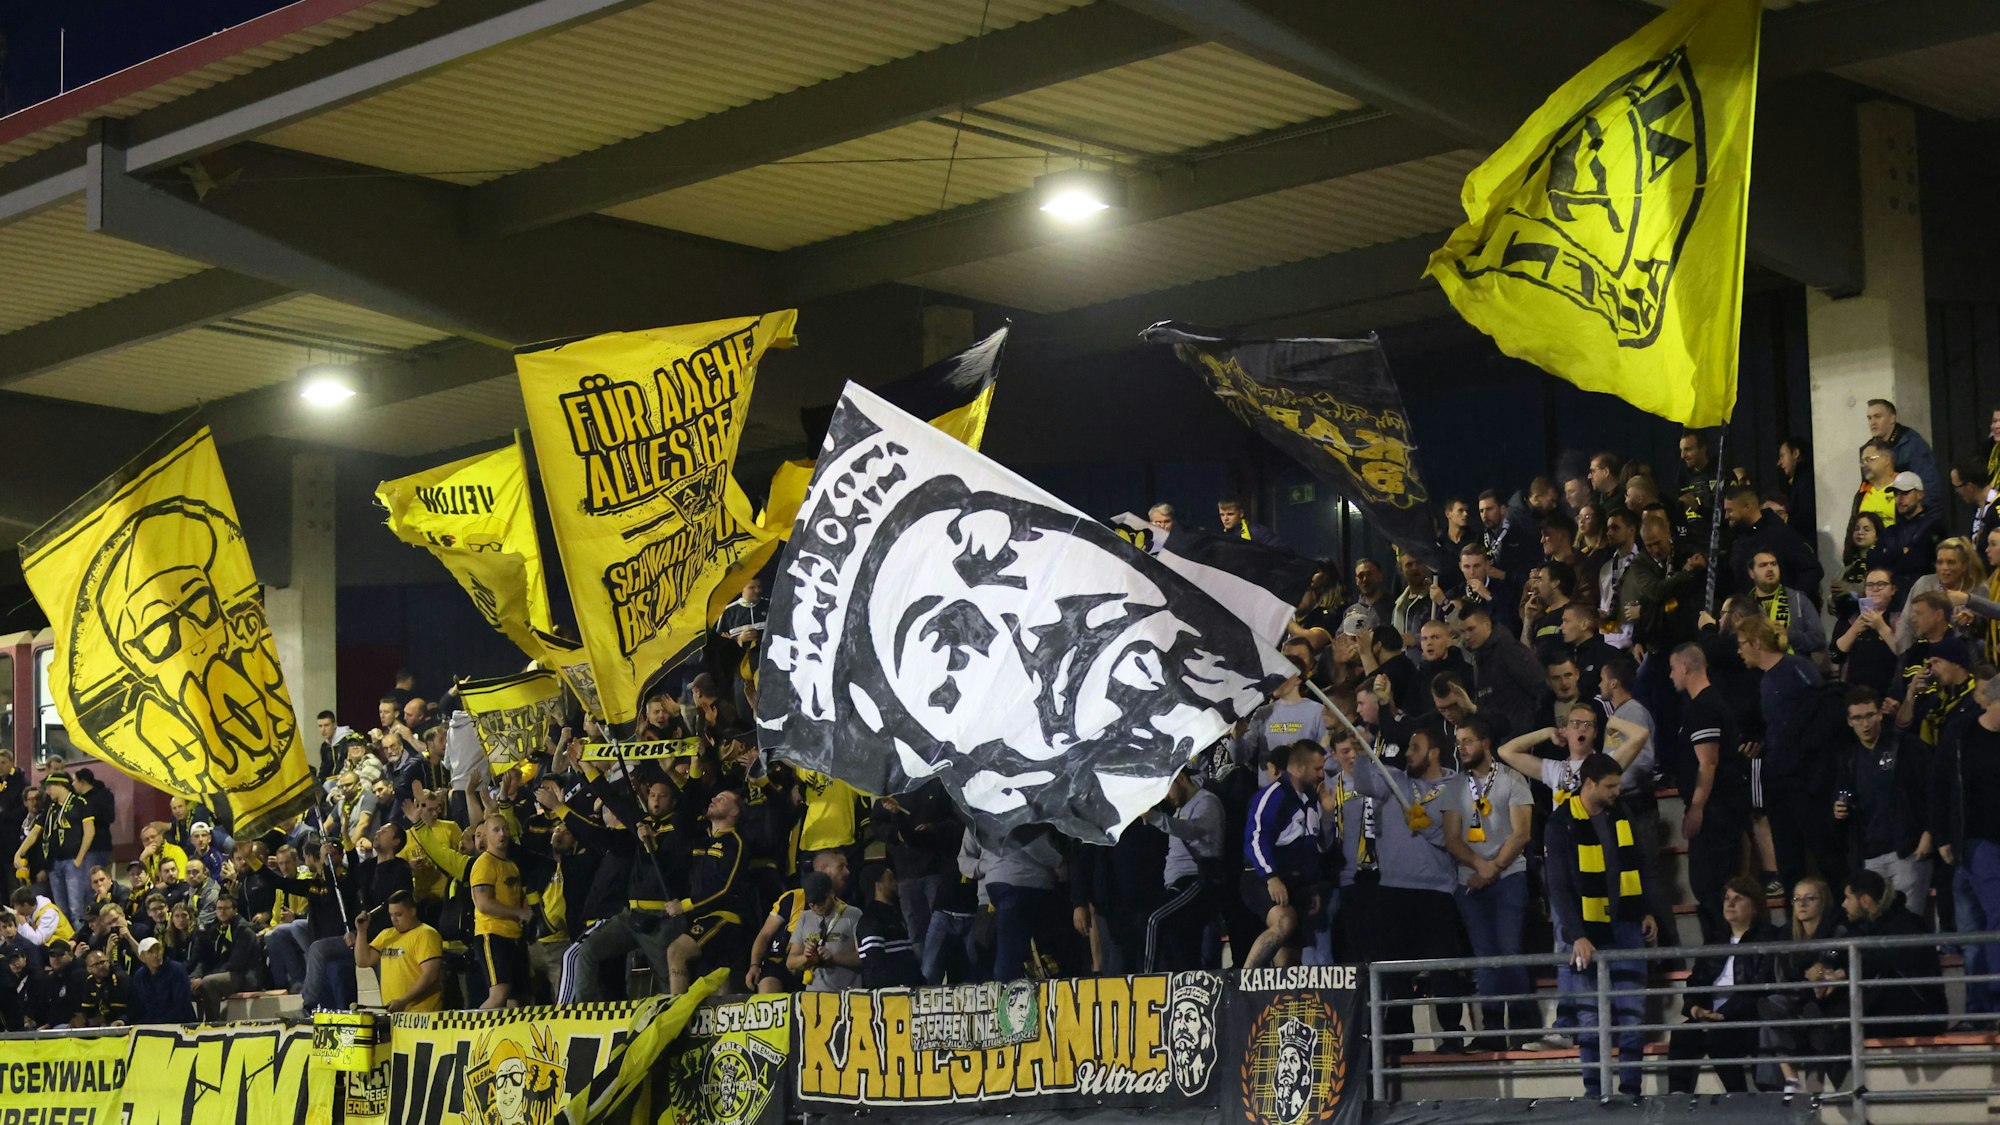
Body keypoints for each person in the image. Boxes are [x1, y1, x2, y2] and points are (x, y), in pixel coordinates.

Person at [1351, 728, 1469, 1054]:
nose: (1407, 753)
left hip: (1438, 891)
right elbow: (1362, 784)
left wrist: (1427, 827)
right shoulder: (1395, 780)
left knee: (1443, 967)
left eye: (1415, 747)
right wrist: (1360, 750)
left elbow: (1455, 841)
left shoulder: (1456, 785)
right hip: (1393, 889)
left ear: (1434, 753)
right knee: (1394, 969)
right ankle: (1400, 1034)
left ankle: (1452, 1035)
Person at [1440, 717, 1537, 1047]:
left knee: (1509, 950)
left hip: (1509, 876)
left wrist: (1492, 868)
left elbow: (1522, 832)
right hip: (1470, 881)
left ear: (1485, 743)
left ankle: (1524, 1029)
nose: (1461, 748)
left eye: (1467, 741)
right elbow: (1451, 838)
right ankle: (1493, 1031)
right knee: (1484, 956)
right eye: (1457, 742)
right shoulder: (1455, 786)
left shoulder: (1512, 778)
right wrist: (1479, 867)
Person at [1737, 615, 1835, 894]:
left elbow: (1823, 712)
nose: (1739, 649)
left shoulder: (1796, 668)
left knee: (1826, 855)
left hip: (1806, 782)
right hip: (1779, 782)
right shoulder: (1765, 680)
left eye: (1742, 643)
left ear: (1757, 643)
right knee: (1789, 861)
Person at [1666, 877, 1778, 1093]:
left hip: (1746, 1015)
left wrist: (1724, 1015)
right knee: (1682, 1034)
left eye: (1738, 898)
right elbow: (1696, 982)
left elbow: (1761, 986)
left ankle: (1737, 1096)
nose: (1730, 904)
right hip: (1711, 1014)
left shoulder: (1769, 938)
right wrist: (1695, 1008)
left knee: (1719, 1036)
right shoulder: (1715, 940)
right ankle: (1677, 1097)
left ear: (1755, 906)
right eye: (1727, 899)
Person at [1932, 674, 2000, 1016]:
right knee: (1979, 929)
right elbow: (1941, 785)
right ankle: (1983, 1007)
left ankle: (1985, 1008)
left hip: (1984, 848)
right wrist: (1942, 836)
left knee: (1983, 928)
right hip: (1972, 843)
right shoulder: (1961, 734)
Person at [1670, 644, 1749, 940]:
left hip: (1716, 814)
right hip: (1720, 812)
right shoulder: (1707, 704)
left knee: (1711, 887)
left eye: (1672, 668)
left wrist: (1697, 807)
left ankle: (1724, 955)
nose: (1670, 675)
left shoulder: (1704, 707)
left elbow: (1708, 762)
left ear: (1686, 667)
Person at [1836, 687, 1933, 905]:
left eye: (1870, 715)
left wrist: (1929, 832)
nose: (1865, 723)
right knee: (1878, 928)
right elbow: (1844, 794)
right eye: (1858, 718)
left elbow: (1933, 791)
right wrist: (1839, 809)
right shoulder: (1849, 759)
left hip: (1907, 851)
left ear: (1880, 713)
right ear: (1849, 721)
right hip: (1870, 856)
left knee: (1907, 925)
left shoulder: (1906, 747)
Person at [1242, 740, 1328, 970]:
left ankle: (1277, 998)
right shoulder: (1274, 796)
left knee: (1291, 953)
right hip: (1262, 876)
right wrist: (1271, 876)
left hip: (1295, 882)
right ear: (1299, 768)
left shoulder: (1311, 798)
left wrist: (1312, 887)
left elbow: (1311, 846)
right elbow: (1256, 838)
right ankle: (1244, 979)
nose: (1322, 774)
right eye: (1317, 769)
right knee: (1284, 921)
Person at [1760, 877, 1848, 1097]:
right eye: (1797, 899)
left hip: (1827, 1000)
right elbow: (1783, 977)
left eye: (1810, 898)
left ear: (1823, 902)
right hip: (1795, 998)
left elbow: (1837, 958)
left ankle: (1792, 1076)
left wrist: (1824, 967)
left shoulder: (1837, 929)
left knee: (1772, 1021)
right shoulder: (1785, 935)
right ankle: (1790, 1076)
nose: (1802, 904)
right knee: (1770, 1005)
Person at [1142, 767, 1225, 973]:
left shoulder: (1207, 801)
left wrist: (1153, 817)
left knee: (1154, 919)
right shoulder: (1181, 808)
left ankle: (1143, 981)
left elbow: (1192, 829)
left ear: (1180, 778)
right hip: (1175, 884)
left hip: (1195, 879)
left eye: (1168, 789)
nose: (1167, 797)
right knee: (1180, 949)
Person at [469, 814, 531, 1009]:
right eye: (496, 830)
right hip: (492, 933)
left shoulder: (511, 865)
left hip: (514, 935)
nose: (502, 834)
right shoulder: (484, 864)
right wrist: (519, 913)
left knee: (518, 998)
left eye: (505, 829)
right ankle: (475, 1035)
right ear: (486, 835)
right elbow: (484, 903)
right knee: (499, 994)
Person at [1456, 604, 1543, 736]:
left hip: (1519, 737)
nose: (1467, 636)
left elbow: (1539, 685)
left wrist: (1528, 728)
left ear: (1487, 624)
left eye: (1471, 629)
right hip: (1498, 736)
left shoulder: (1508, 649)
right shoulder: (1480, 658)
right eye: (1463, 632)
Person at [353, 890, 444, 1013]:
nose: (394, 919)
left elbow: (430, 975)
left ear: (412, 911)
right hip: (396, 1014)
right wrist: (362, 931)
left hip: (421, 1014)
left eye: (398, 914)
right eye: (391, 915)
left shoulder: (426, 934)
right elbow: (363, 961)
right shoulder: (386, 935)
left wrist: (403, 1001)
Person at [186, 893, 261, 1021]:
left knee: (209, 983)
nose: (222, 912)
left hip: (243, 975)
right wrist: (195, 976)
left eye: (226, 908)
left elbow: (235, 964)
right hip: (223, 972)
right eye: (219, 908)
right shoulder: (214, 930)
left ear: (235, 910)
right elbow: (206, 959)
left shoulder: (244, 931)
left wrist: (203, 978)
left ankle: (213, 1023)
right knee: (187, 983)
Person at [788, 870, 862, 992]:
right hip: (814, 996)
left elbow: (864, 958)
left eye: (821, 903)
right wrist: (806, 957)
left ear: (831, 893)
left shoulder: (853, 914)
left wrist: (834, 958)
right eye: (812, 904)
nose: (817, 908)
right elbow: (790, 962)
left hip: (847, 995)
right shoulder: (805, 917)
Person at [1859, 398, 1943, 501]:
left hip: (1907, 512)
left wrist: (1923, 515)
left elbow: (1929, 485)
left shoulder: (1913, 444)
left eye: (1877, 416)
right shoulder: (1867, 450)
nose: (1873, 422)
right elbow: (1865, 489)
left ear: (1892, 418)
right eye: (1869, 418)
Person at [854, 863, 922, 988]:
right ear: (878, 886)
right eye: (890, 880)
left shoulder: (894, 915)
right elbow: (875, 963)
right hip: (891, 998)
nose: (896, 884)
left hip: (908, 992)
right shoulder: (871, 919)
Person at [1880, 472, 1945, 591]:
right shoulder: (1891, 531)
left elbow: (1920, 562)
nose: (1899, 499)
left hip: (1926, 592)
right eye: (1896, 493)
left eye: (1905, 493)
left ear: (1920, 494)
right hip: (1896, 593)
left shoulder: (1934, 525)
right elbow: (1884, 563)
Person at [124, 935, 195, 1024]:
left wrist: (155, 1024)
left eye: (158, 949)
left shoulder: (177, 970)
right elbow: (135, 1007)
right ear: (142, 957)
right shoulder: (139, 976)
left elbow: (182, 1007)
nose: (156, 955)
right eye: (150, 952)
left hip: (180, 1026)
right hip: (152, 1026)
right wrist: (123, 1020)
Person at [1217, 497, 1283, 547]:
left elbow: (1282, 551)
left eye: (1230, 514)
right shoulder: (1220, 537)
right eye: (1222, 515)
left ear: (1241, 513)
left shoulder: (1258, 532)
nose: (1225, 518)